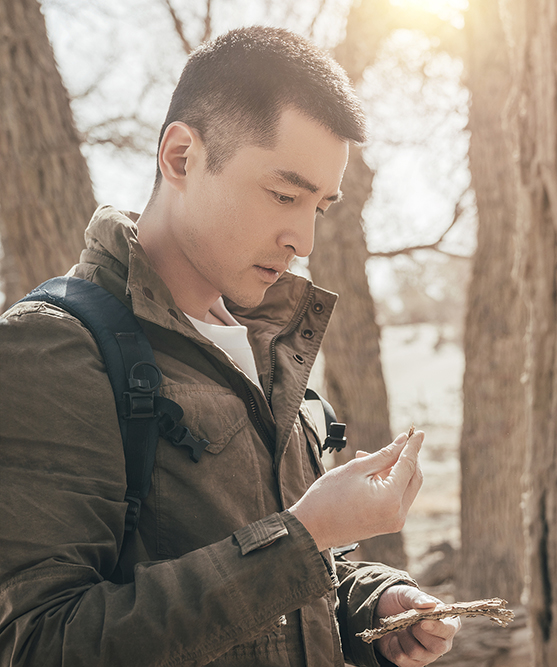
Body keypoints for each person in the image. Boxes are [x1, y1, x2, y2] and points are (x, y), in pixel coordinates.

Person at [0, 26, 460, 667]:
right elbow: (40, 643)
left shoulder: (263, 344)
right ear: (181, 157)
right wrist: (307, 535)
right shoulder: (54, 349)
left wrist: (372, 604)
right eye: (283, 195)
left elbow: (274, 573)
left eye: (319, 207)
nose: (303, 240)